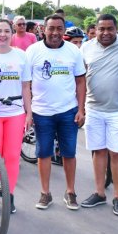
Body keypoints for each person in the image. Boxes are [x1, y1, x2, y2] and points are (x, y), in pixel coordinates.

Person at [25, 14, 86, 210]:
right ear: (44, 29)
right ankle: (45, 193)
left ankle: (70, 192)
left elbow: (80, 81)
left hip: (68, 111)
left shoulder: (73, 52)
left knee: (69, 153)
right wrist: (28, 111)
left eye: (59, 28)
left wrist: (81, 109)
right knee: (44, 153)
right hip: (42, 112)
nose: (55, 32)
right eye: (51, 28)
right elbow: (26, 84)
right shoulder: (33, 51)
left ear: (63, 31)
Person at [79, 14, 118, 216]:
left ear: (116, 29)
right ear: (95, 29)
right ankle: (100, 192)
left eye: (109, 29)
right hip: (93, 109)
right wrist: (81, 108)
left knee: (117, 154)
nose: (105, 33)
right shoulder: (86, 48)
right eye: (101, 29)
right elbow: (80, 78)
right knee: (98, 152)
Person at [0, 18, 32, 214]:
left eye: (7, 31)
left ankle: (8, 194)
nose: (3, 35)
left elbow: (26, 87)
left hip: (15, 112)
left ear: (12, 34)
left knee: (11, 156)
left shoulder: (21, 56)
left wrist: (29, 113)